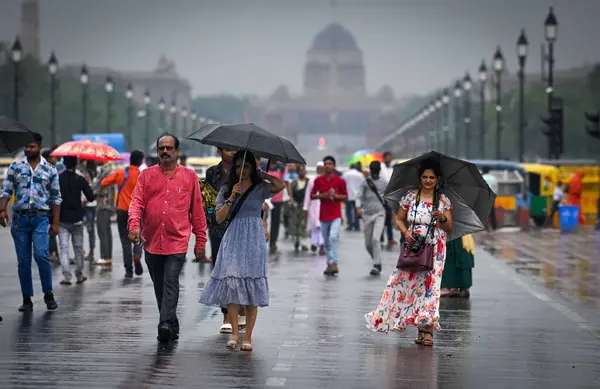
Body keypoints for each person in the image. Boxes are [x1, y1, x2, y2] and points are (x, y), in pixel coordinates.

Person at [199, 150, 286, 352]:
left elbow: (281, 186)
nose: (241, 170)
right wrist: (231, 198)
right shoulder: (228, 188)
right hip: (233, 236)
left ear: (252, 167)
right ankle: (235, 333)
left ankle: (248, 336)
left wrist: (262, 174)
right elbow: (219, 219)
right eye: (238, 166)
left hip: (253, 238)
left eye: (245, 166)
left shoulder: (260, 188)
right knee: (231, 281)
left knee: (252, 283)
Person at [365, 158, 453, 347]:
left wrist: (443, 217)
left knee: (431, 288)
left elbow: (450, 227)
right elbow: (399, 219)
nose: (428, 180)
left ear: (438, 179)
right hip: (413, 246)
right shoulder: (410, 196)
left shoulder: (443, 200)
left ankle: (427, 330)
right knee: (408, 286)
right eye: (424, 177)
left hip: (435, 247)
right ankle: (412, 323)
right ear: (420, 178)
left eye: (431, 177)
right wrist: (406, 233)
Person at [129, 134, 207, 343]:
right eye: (161, 148)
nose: (165, 151)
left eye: (169, 148)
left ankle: (164, 324)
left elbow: (197, 211)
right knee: (159, 285)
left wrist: (200, 241)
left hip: (177, 241)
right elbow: (136, 203)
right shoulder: (146, 176)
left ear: (177, 151)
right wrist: (134, 225)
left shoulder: (189, 177)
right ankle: (171, 323)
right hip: (151, 241)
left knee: (170, 281)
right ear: (157, 151)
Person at [0, 133, 61, 312]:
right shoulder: (15, 167)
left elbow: (56, 198)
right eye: (26, 147)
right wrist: (2, 210)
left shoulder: (50, 170)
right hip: (20, 220)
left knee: (42, 255)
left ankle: (48, 294)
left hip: (41, 218)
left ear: (40, 147)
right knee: (23, 261)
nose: (28, 149)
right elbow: (6, 191)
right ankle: (27, 299)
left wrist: (55, 223)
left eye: (32, 147)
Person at [205, 147, 237, 334]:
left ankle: (239, 308)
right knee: (220, 267)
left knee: (238, 268)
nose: (231, 152)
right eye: (227, 149)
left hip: (238, 224)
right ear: (219, 151)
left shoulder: (243, 170)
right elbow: (208, 199)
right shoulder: (212, 173)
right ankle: (226, 313)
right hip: (217, 225)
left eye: (234, 149)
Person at [100, 150, 145, 276]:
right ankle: (137, 256)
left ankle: (128, 270)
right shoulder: (142, 175)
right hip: (137, 212)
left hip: (122, 211)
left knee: (125, 241)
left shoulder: (121, 173)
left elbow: (103, 182)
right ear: (140, 161)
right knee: (138, 237)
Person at [58, 156, 95, 285]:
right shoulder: (80, 179)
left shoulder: (58, 178)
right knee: (78, 249)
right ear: (76, 164)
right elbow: (91, 197)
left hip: (62, 218)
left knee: (63, 248)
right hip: (77, 219)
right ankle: (79, 275)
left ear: (64, 163)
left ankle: (67, 277)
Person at [310, 156, 348, 276]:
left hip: (336, 214)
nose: (327, 166)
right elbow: (312, 195)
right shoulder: (318, 180)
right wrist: (323, 195)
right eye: (326, 164)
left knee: (333, 237)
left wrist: (335, 196)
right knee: (326, 241)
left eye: (330, 164)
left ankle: (335, 262)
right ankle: (329, 263)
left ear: (334, 166)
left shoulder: (340, 180)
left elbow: (345, 196)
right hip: (323, 214)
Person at [357, 161, 389, 276]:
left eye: (376, 171)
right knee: (368, 244)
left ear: (379, 171)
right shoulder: (365, 183)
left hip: (380, 213)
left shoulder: (384, 183)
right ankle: (377, 260)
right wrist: (358, 207)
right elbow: (359, 196)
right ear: (370, 170)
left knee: (376, 239)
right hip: (367, 215)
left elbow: (390, 196)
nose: (375, 173)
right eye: (373, 171)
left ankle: (376, 264)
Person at [93, 161, 117, 262]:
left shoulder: (105, 172)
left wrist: (94, 189)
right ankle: (108, 257)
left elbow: (98, 188)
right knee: (107, 232)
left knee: (102, 232)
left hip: (103, 205)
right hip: (108, 205)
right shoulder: (110, 171)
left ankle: (105, 257)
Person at [42, 149, 61, 261]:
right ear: (48, 158)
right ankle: (51, 252)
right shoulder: (47, 171)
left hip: (52, 205)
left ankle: (54, 252)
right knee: (50, 231)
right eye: (53, 157)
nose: (55, 159)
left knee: (52, 230)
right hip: (47, 206)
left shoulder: (53, 170)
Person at [304, 162, 325, 255]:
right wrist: (305, 207)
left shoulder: (327, 180)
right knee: (314, 226)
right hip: (313, 205)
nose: (320, 169)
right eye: (319, 168)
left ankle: (321, 245)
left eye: (322, 168)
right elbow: (308, 195)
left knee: (321, 226)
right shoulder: (311, 180)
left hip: (324, 205)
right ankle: (314, 243)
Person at [288, 164, 310, 252]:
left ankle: (304, 243)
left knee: (303, 224)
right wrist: (292, 199)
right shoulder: (294, 182)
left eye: (304, 170)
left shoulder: (309, 182)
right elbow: (290, 193)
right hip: (296, 205)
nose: (302, 172)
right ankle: (297, 241)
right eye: (301, 170)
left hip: (305, 206)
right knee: (295, 223)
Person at [81, 160, 98, 262]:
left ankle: (89, 252)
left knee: (88, 229)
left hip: (88, 204)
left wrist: (85, 200)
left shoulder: (89, 174)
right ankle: (89, 251)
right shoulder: (94, 174)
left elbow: (93, 190)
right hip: (91, 204)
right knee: (90, 229)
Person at [380, 152, 396, 250]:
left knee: (389, 220)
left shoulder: (392, 167)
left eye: (390, 157)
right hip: (381, 198)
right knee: (381, 219)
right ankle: (381, 239)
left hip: (390, 198)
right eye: (388, 157)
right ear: (384, 158)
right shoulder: (381, 168)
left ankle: (390, 239)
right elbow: (386, 180)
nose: (389, 159)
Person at [343, 163, 365, 232]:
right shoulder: (360, 174)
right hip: (357, 196)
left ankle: (349, 225)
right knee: (356, 211)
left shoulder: (346, 174)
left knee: (348, 211)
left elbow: (342, 183)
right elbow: (364, 184)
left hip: (348, 195)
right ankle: (357, 225)